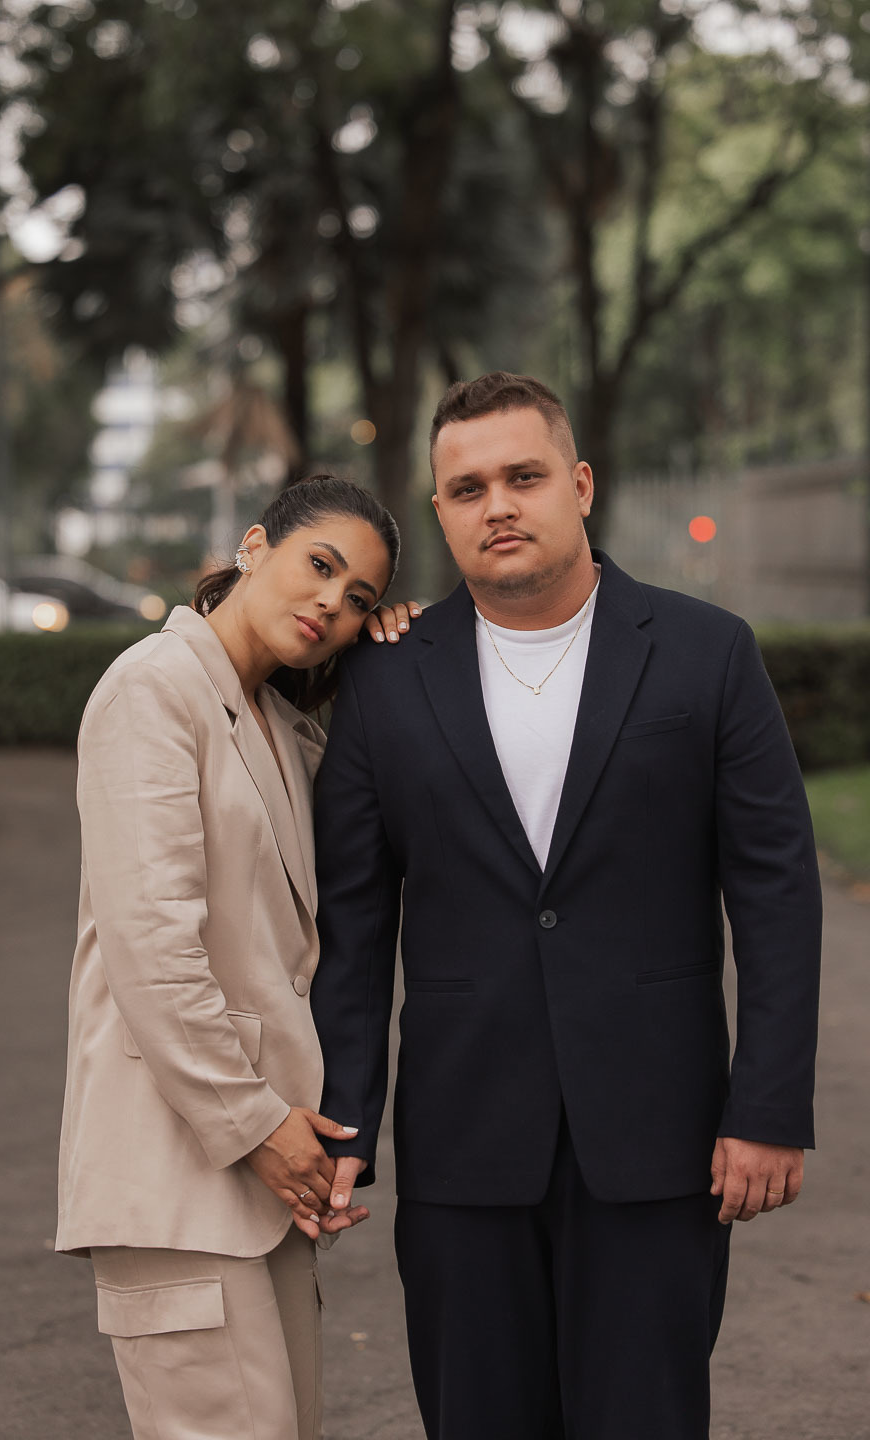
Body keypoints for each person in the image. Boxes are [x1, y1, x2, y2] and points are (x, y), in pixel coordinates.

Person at [310, 373, 823, 1440]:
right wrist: (342, 1121)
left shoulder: (706, 652)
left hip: (660, 1142)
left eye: (523, 476)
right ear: (441, 515)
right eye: (467, 487)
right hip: (463, 1146)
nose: (497, 503)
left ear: (579, 485)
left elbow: (776, 895)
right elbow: (353, 929)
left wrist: (767, 1109)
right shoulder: (385, 680)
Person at [55, 474, 418, 1440]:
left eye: (359, 601)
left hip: (260, 1174)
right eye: (321, 566)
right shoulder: (152, 689)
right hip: (179, 1163)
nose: (332, 606)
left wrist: (408, 654)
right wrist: (260, 1127)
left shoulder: (288, 726)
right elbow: (154, 951)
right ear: (256, 544)